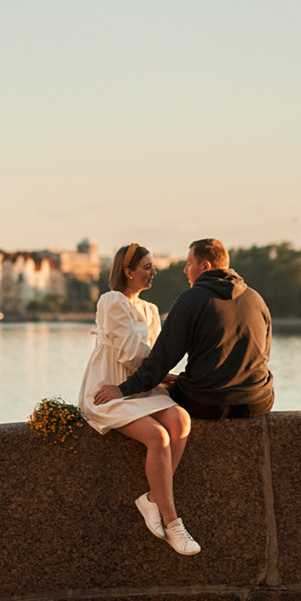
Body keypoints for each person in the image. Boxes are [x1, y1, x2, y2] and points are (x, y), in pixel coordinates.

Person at [79, 242, 201, 556]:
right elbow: (131, 354)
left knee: (181, 420)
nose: (153, 273)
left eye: (152, 267)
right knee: (158, 437)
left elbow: (154, 357)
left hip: (141, 388)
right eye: (147, 267)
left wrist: (159, 374)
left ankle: (151, 499)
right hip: (111, 389)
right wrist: (161, 374)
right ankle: (173, 522)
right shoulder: (111, 301)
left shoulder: (150, 310)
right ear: (127, 271)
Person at [93, 237, 274, 421]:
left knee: (158, 399)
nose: (185, 270)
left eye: (189, 264)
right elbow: (264, 354)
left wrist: (123, 389)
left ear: (205, 266)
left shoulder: (190, 300)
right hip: (258, 401)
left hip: (208, 404)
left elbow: (163, 357)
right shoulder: (256, 299)